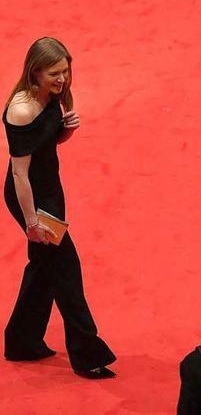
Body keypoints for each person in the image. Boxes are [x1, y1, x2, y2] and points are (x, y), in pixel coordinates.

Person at [3, 37, 115, 378]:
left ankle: (21, 341)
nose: (62, 79)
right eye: (54, 72)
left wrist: (66, 132)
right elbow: (20, 174)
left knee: (42, 269)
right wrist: (32, 222)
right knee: (67, 271)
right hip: (33, 200)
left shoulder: (51, 94)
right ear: (34, 71)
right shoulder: (21, 110)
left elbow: (47, 144)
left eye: (65, 71)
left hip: (52, 191)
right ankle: (88, 354)